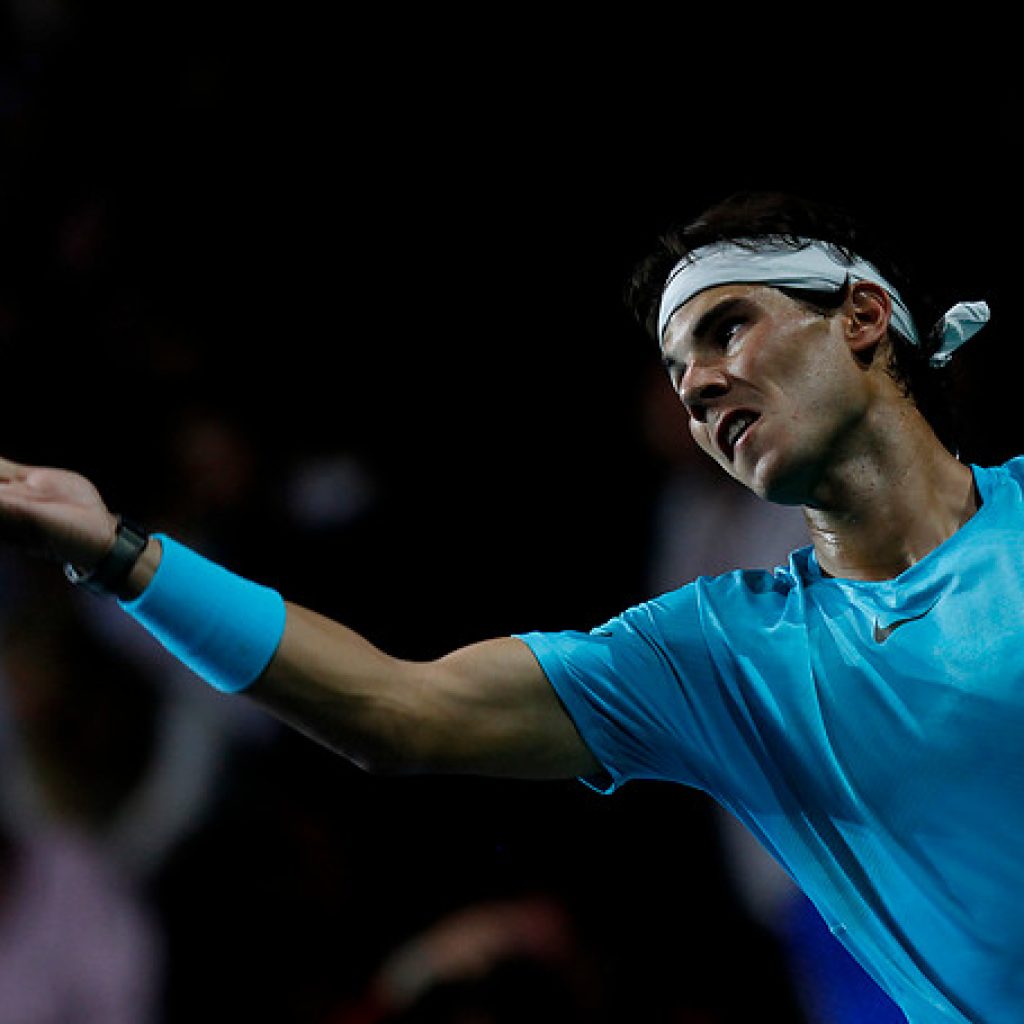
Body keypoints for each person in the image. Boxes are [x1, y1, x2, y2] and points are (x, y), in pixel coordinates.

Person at [0, 190, 1012, 1023]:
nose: (698, 387)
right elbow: (398, 710)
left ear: (861, 316)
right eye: (677, 371)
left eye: (727, 328)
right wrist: (122, 556)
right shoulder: (722, 653)